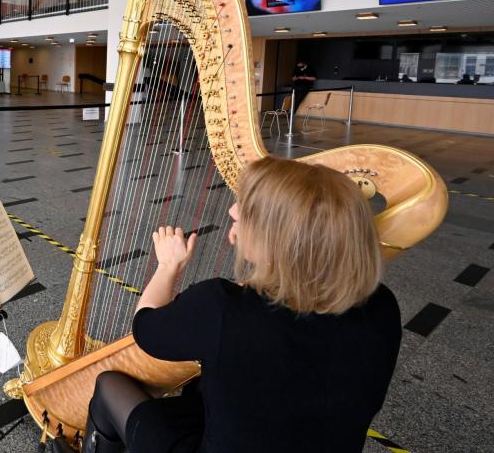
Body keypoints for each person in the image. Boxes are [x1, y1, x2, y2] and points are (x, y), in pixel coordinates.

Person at [82, 156, 400, 453]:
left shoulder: (223, 308)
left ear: (277, 238)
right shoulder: (383, 307)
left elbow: (146, 327)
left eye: (247, 208)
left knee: (109, 385)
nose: (232, 212)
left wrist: (168, 266)